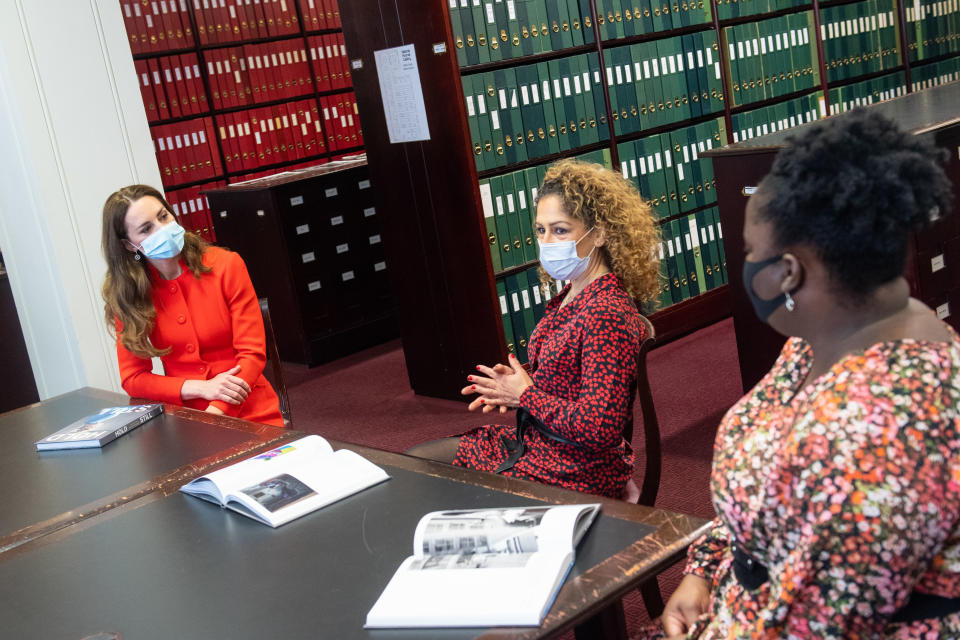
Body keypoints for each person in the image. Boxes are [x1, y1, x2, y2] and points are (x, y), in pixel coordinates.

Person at [653, 109, 960, 639]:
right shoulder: (819, 342)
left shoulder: (881, 431)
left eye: (752, 251)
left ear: (788, 271)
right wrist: (705, 573)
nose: (746, 264)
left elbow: (816, 624)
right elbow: (765, 489)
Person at [407, 160, 662, 498]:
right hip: (541, 446)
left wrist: (526, 394)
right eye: (541, 230)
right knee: (414, 467)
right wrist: (513, 389)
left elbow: (600, 427)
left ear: (599, 233)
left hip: (570, 470)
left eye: (560, 230)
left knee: (419, 478)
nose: (547, 241)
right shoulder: (574, 293)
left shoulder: (605, 314)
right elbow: (570, 383)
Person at [101, 184, 283, 427]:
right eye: (146, 229)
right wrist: (200, 388)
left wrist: (215, 411)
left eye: (163, 216)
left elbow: (252, 355)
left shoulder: (226, 265)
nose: (163, 229)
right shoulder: (128, 294)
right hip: (184, 421)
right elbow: (133, 378)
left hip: (248, 408)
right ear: (129, 245)